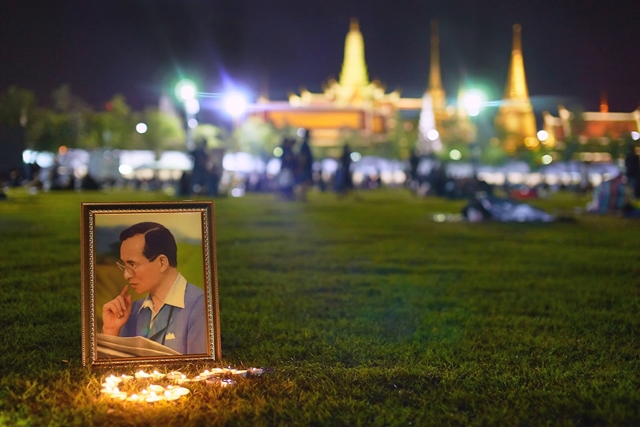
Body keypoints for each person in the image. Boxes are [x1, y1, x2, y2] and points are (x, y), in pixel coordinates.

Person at [102, 222, 207, 354]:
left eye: (132, 264)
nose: (126, 275)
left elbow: (201, 365)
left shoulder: (200, 306)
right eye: (124, 265)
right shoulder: (131, 312)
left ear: (162, 263)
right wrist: (111, 331)